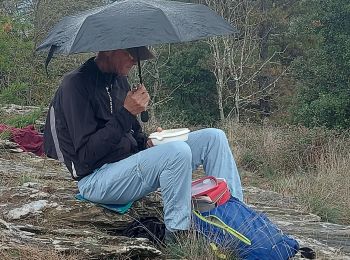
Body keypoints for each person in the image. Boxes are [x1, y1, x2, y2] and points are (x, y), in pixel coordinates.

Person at [43, 46, 243, 239]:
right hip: (96, 180)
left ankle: (236, 219)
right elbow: (85, 157)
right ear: (109, 49)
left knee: (213, 138)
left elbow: (132, 133)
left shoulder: (120, 81)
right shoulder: (75, 86)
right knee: (177, 152)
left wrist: (148, 141)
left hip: (128, 168)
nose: (135, 60)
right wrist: (126, 113)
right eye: (131, 54)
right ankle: (177, 236)